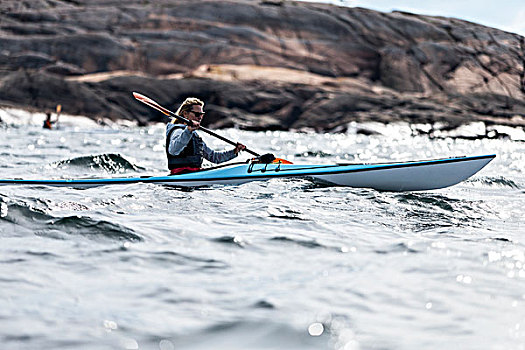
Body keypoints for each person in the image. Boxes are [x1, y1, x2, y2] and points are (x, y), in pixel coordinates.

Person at [166, 97, 246, 175]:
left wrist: (234, 151)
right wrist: (188, 131)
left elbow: (213, 157)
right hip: (180, 176)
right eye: (197, 114)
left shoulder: (194, 135)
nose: (200, 117)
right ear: (185, 114)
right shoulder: (178, 131)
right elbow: (173, 151)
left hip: (194, 174)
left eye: (201, 114)